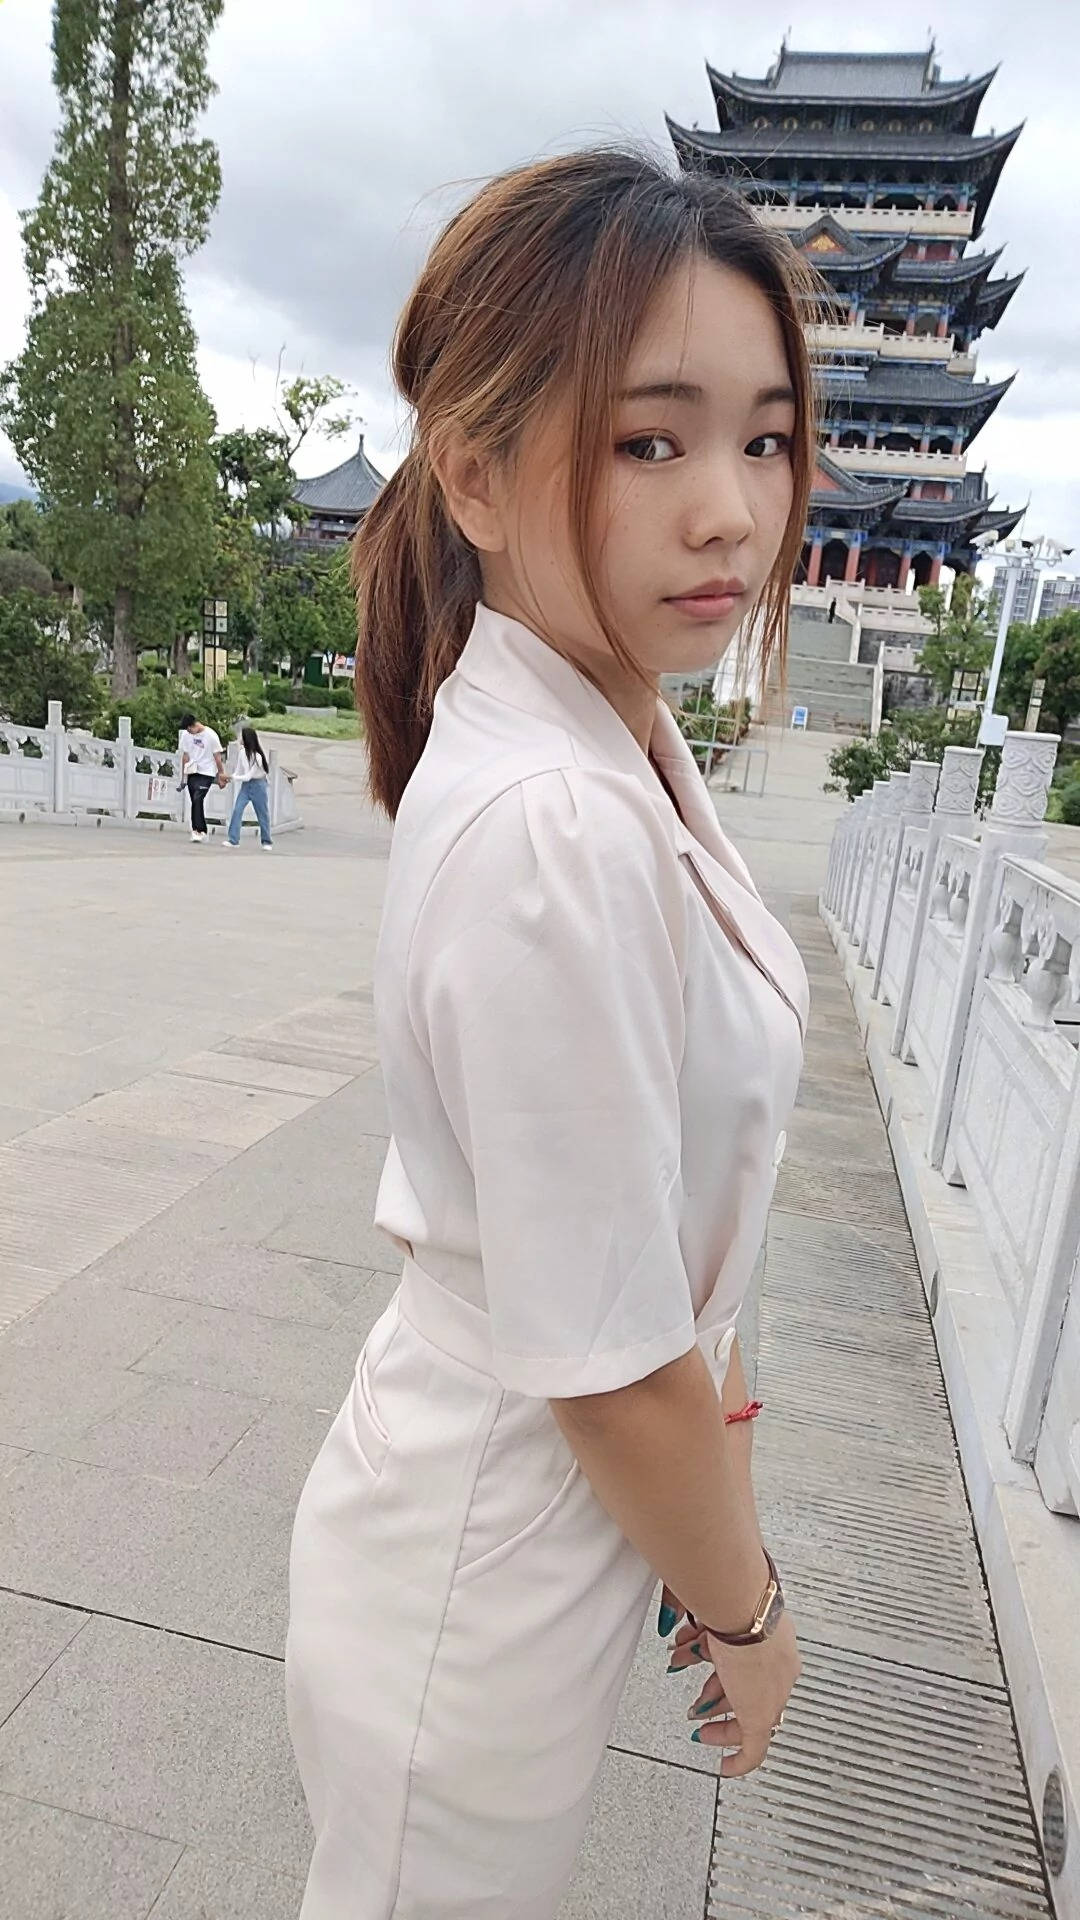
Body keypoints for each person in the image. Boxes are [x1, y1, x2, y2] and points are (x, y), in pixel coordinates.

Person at [286, 149, 817, 1920]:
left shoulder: (607, 742)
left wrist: (708, 1489)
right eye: (650, 441)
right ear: (475, 474)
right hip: (485, 1574)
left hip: (525, 1530)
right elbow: (605, 1362)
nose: (731, 512)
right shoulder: (554, 820)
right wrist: (750, 1612)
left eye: (765, 439)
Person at [177, 712, 226, 841]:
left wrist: (221, 774)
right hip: (192, 771)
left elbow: (217, 757)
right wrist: (183, 778)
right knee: (194, 800)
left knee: (198, 798)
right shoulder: (186, 735)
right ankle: (197, 830)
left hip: (207, 772)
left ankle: (199, 830)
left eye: (189, 730)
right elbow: (185, 756)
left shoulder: (211, 735)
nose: (189, 732)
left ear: (193, 726)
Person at [223, 726, 273, 848]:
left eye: (242, 737)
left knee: (262, 814)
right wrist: (231, 777)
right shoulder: (242, 753)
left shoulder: (258, 757)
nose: (240, 739)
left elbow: (248, 776)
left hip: (258, 785)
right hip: (246, 786)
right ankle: (233, 840)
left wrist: (231, 777)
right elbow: (239, 771)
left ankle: (266, 841)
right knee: (237, 810)